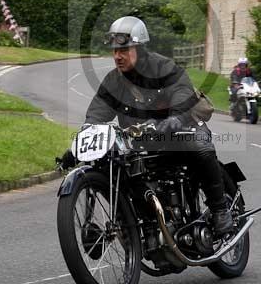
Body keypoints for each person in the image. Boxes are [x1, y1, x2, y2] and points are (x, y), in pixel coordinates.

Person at [84, 16, 234, 235]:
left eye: (124, 50)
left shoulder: (163, 67)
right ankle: (132, 224)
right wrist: (86, 136)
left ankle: (220, 210)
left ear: (139, 47)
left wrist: (174, 118)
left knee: (200, 149)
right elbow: (97, 111)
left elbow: (182, 92)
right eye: (115, 50)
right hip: (143, 140)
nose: (118, 56)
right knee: (113, 166)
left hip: (179, 130)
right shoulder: (113, 81)